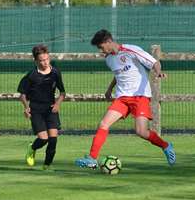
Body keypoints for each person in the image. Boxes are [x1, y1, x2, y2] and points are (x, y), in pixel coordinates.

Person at [75, 29, 175, 169]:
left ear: (108, 41)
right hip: (122, 97)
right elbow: (119, 74)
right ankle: (92, 159)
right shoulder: (109, 59)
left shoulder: (131, 50)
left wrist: (158, 72)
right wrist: (110, 88)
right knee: (103, 124)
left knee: (141, 132)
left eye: (101, 47)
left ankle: (166, 145)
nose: (101, 51)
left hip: (140, 96)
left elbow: (154, 62)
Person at [18, 44, 66, 170]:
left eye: (46, 59)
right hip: (36, 110)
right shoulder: (31, 75)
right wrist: (26, 107)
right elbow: (22, 95)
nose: (45, 62)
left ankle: (47, 166)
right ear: (35, 61)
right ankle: (32, 148)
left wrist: (57, 103)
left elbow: (62, 92)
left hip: (51, 109)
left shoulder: (55, 72)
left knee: (53, 140)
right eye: (41, 60)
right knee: (44, 139)